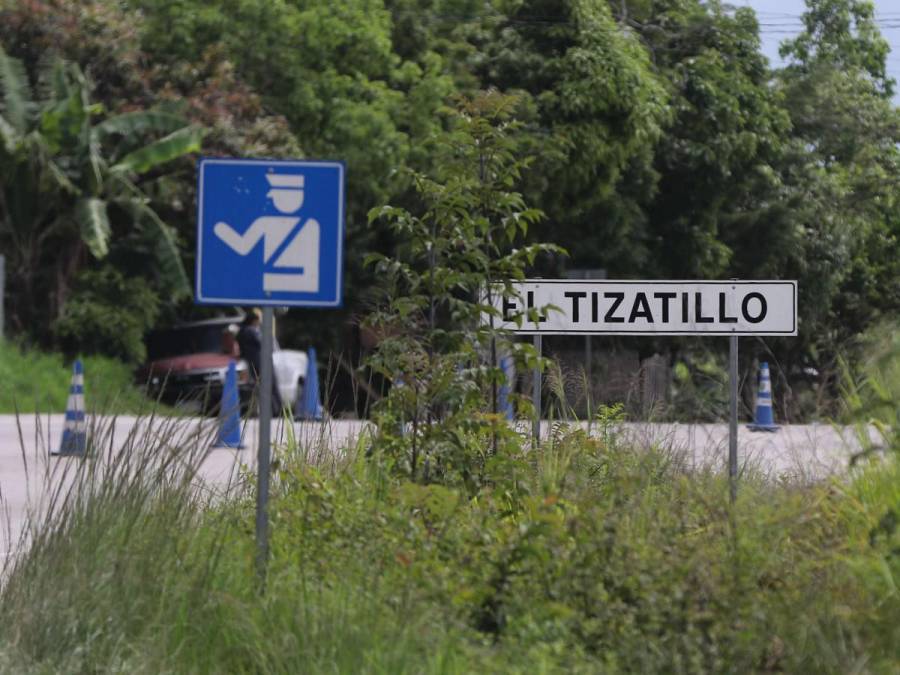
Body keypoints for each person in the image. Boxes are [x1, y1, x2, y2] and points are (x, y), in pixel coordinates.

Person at [237, 308, 283, 414]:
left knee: (262, 387)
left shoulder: (242, 331)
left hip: (254, 363)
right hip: (261, 362)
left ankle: (271, 410)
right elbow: (264, 343)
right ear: (254, 321)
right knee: (271, 386)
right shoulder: (251, 331)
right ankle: (277, 410)